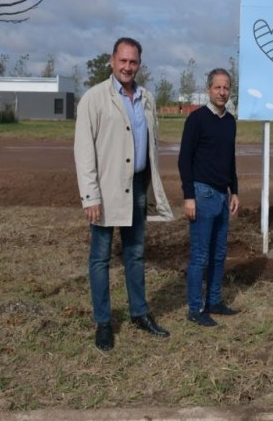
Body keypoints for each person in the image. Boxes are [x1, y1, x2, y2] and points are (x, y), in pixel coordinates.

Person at [74, 37, 174, 351]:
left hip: (138, 188)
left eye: (133, 62)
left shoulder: (147, 99)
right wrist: (90, 196)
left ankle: (139, 312)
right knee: (100, 259)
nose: (127, 67)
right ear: (112, 60)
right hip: (105, 193)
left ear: (139, 65)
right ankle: (104, 322)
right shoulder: (93, 99)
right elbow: (83, 150)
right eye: (123, 61)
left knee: (135, 254)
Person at [178, 68, 240, 327]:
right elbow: (184, 160)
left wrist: (234, 190)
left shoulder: (230, 122)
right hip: (202, 194)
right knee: (201, 256)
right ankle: (195, 308)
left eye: (226, 88)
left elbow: (230, 159)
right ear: (209, 89)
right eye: (218, 87)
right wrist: (189, 197)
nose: (222, 92)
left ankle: (214, 300)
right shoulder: (196, 120)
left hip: (222, 196)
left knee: (219, 254)